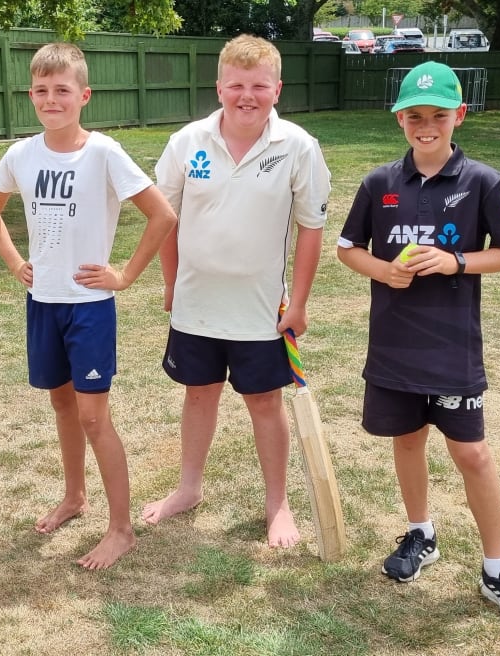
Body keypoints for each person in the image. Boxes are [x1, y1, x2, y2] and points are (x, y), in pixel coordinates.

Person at [336, 61, 500, 634]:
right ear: (399, 119)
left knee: (471, 453)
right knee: (407, 440)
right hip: (393, 346)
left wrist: (457, 261)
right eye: (414, 116)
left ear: (459, 116)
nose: (426, 126)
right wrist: (385, 270)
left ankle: (497, 569)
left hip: (452, 348)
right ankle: (420, 533)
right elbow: (348, 248)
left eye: (437, 116)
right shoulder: (378, 183)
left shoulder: (483, 181)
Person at [0, 42, 177, 570]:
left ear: (83, 95)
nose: (51, 99)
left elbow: (162, 215)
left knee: (93, 417)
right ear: (31, 95)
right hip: (43, 302)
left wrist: (124, 275)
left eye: (62, 90)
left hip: (88, 306)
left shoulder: (104, 152)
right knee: (62, 406)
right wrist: (16, 263)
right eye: (41, 90)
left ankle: (121, 529)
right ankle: (74, 497)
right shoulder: (20, 155)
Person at [140, 34, 332, 549]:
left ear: (277, 90)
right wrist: (171, 284)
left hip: (261, 309)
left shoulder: (298, 146)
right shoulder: (187, 142)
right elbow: (166, 220)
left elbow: (311, 228)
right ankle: (188, 489)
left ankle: (277, 505)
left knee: (264, 401)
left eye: (260, 86)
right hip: (197, 304)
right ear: (219, 87)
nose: (247, 96)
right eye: (237, 85)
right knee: (198, 393)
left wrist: (299, 302)